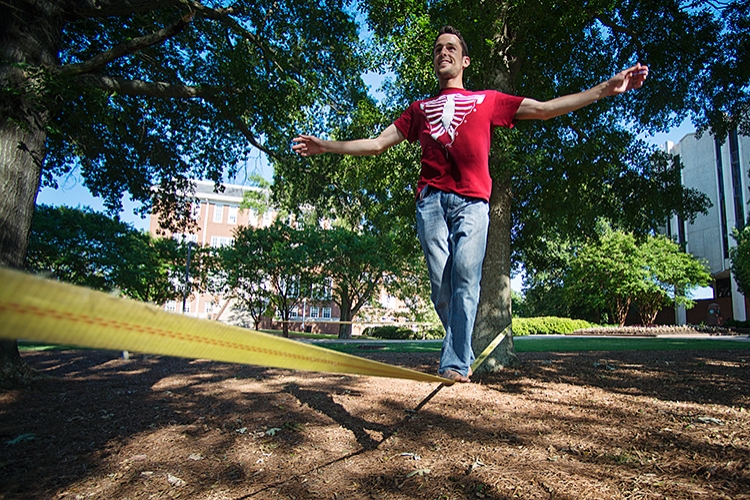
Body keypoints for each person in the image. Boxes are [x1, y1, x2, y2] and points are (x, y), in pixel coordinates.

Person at [293, 26, 648, 383]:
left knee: (465, 276)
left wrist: (606, 89)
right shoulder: (419, 109)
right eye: (437, 49)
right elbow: (376, 144)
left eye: (450, 48)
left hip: (473, 203)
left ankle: (455, 361)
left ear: (464, 60)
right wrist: (326, 145)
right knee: (440, 286)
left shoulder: (487, 100)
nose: (442, 52)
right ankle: (460, 345)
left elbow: (543, 109)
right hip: (430, 203)